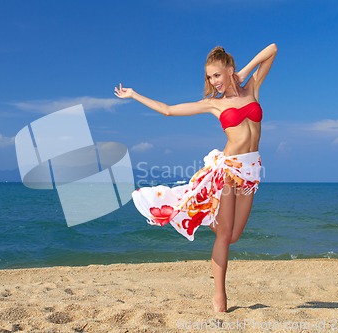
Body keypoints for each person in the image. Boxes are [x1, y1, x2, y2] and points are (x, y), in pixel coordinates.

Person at [114, 43, 277, 313]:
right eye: (209, 77)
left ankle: (206, 215)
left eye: (217, 75)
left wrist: (244, 71)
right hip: (227, 170)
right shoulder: (213, 104)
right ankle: (219, 297)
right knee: (224, 235)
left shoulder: (253, 88)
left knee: (234, 235)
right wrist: (133, 95)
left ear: (229, 70)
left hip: (251, 172)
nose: (213, 82)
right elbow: (168, 110)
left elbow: (272, 49)